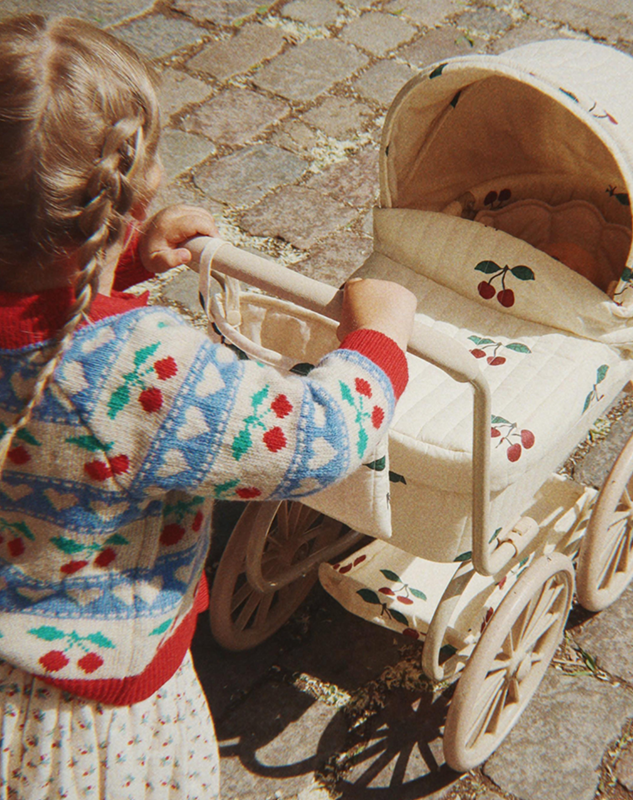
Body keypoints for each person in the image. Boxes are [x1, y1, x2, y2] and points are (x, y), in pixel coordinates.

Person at [0, 14, 416, 800]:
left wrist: (120, 259)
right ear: (133, 188)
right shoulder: (136, 369)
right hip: (86, 710)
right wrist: (377, 338)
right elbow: (315, 438)